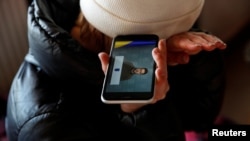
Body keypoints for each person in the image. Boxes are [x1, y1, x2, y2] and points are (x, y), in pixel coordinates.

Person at [5, 0, 227, 141]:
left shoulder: (84, 20)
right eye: (166, 39)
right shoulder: (48, 126)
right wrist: (141, 111)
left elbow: (199, 119)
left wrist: (195, 59)